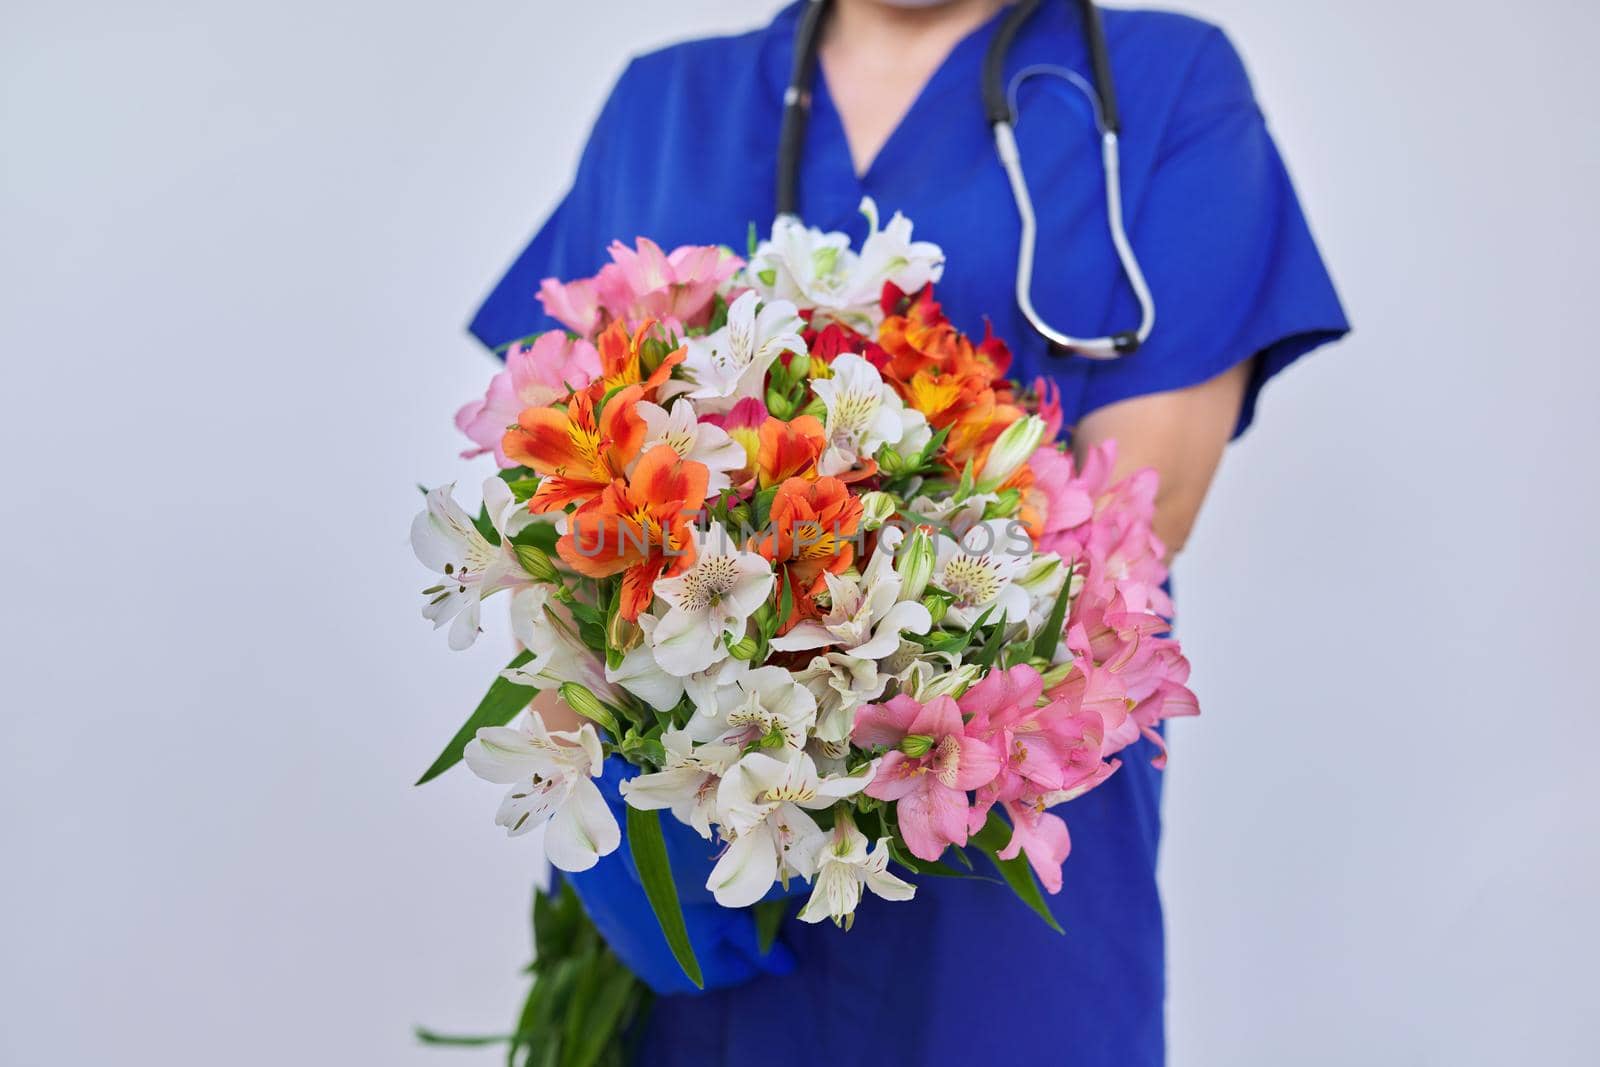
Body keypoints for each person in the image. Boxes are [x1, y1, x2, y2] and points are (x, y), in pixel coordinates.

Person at [469, 2, 1348, 1063]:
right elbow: (553, 471)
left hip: (993, 859)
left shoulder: (1163, 85)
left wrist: (828, 629)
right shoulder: (668, 104)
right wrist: (587, 760)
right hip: (689, 832)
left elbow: (1139, 514)